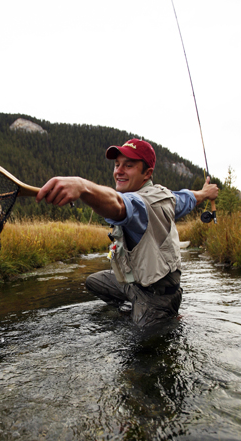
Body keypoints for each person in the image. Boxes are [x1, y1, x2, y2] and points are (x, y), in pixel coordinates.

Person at [36, 138, 218, 327]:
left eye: (128, 165)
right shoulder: (166, 196)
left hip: (157, 298)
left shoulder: (141, 203)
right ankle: (131, 307)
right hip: (135, 285)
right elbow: (186, 198)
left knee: (141, 346)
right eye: (117, 164)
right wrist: (205, 193)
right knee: (93, 281)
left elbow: (119, 205)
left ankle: (167, 318)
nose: (119, 171)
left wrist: (83, 187)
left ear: (147, 174)